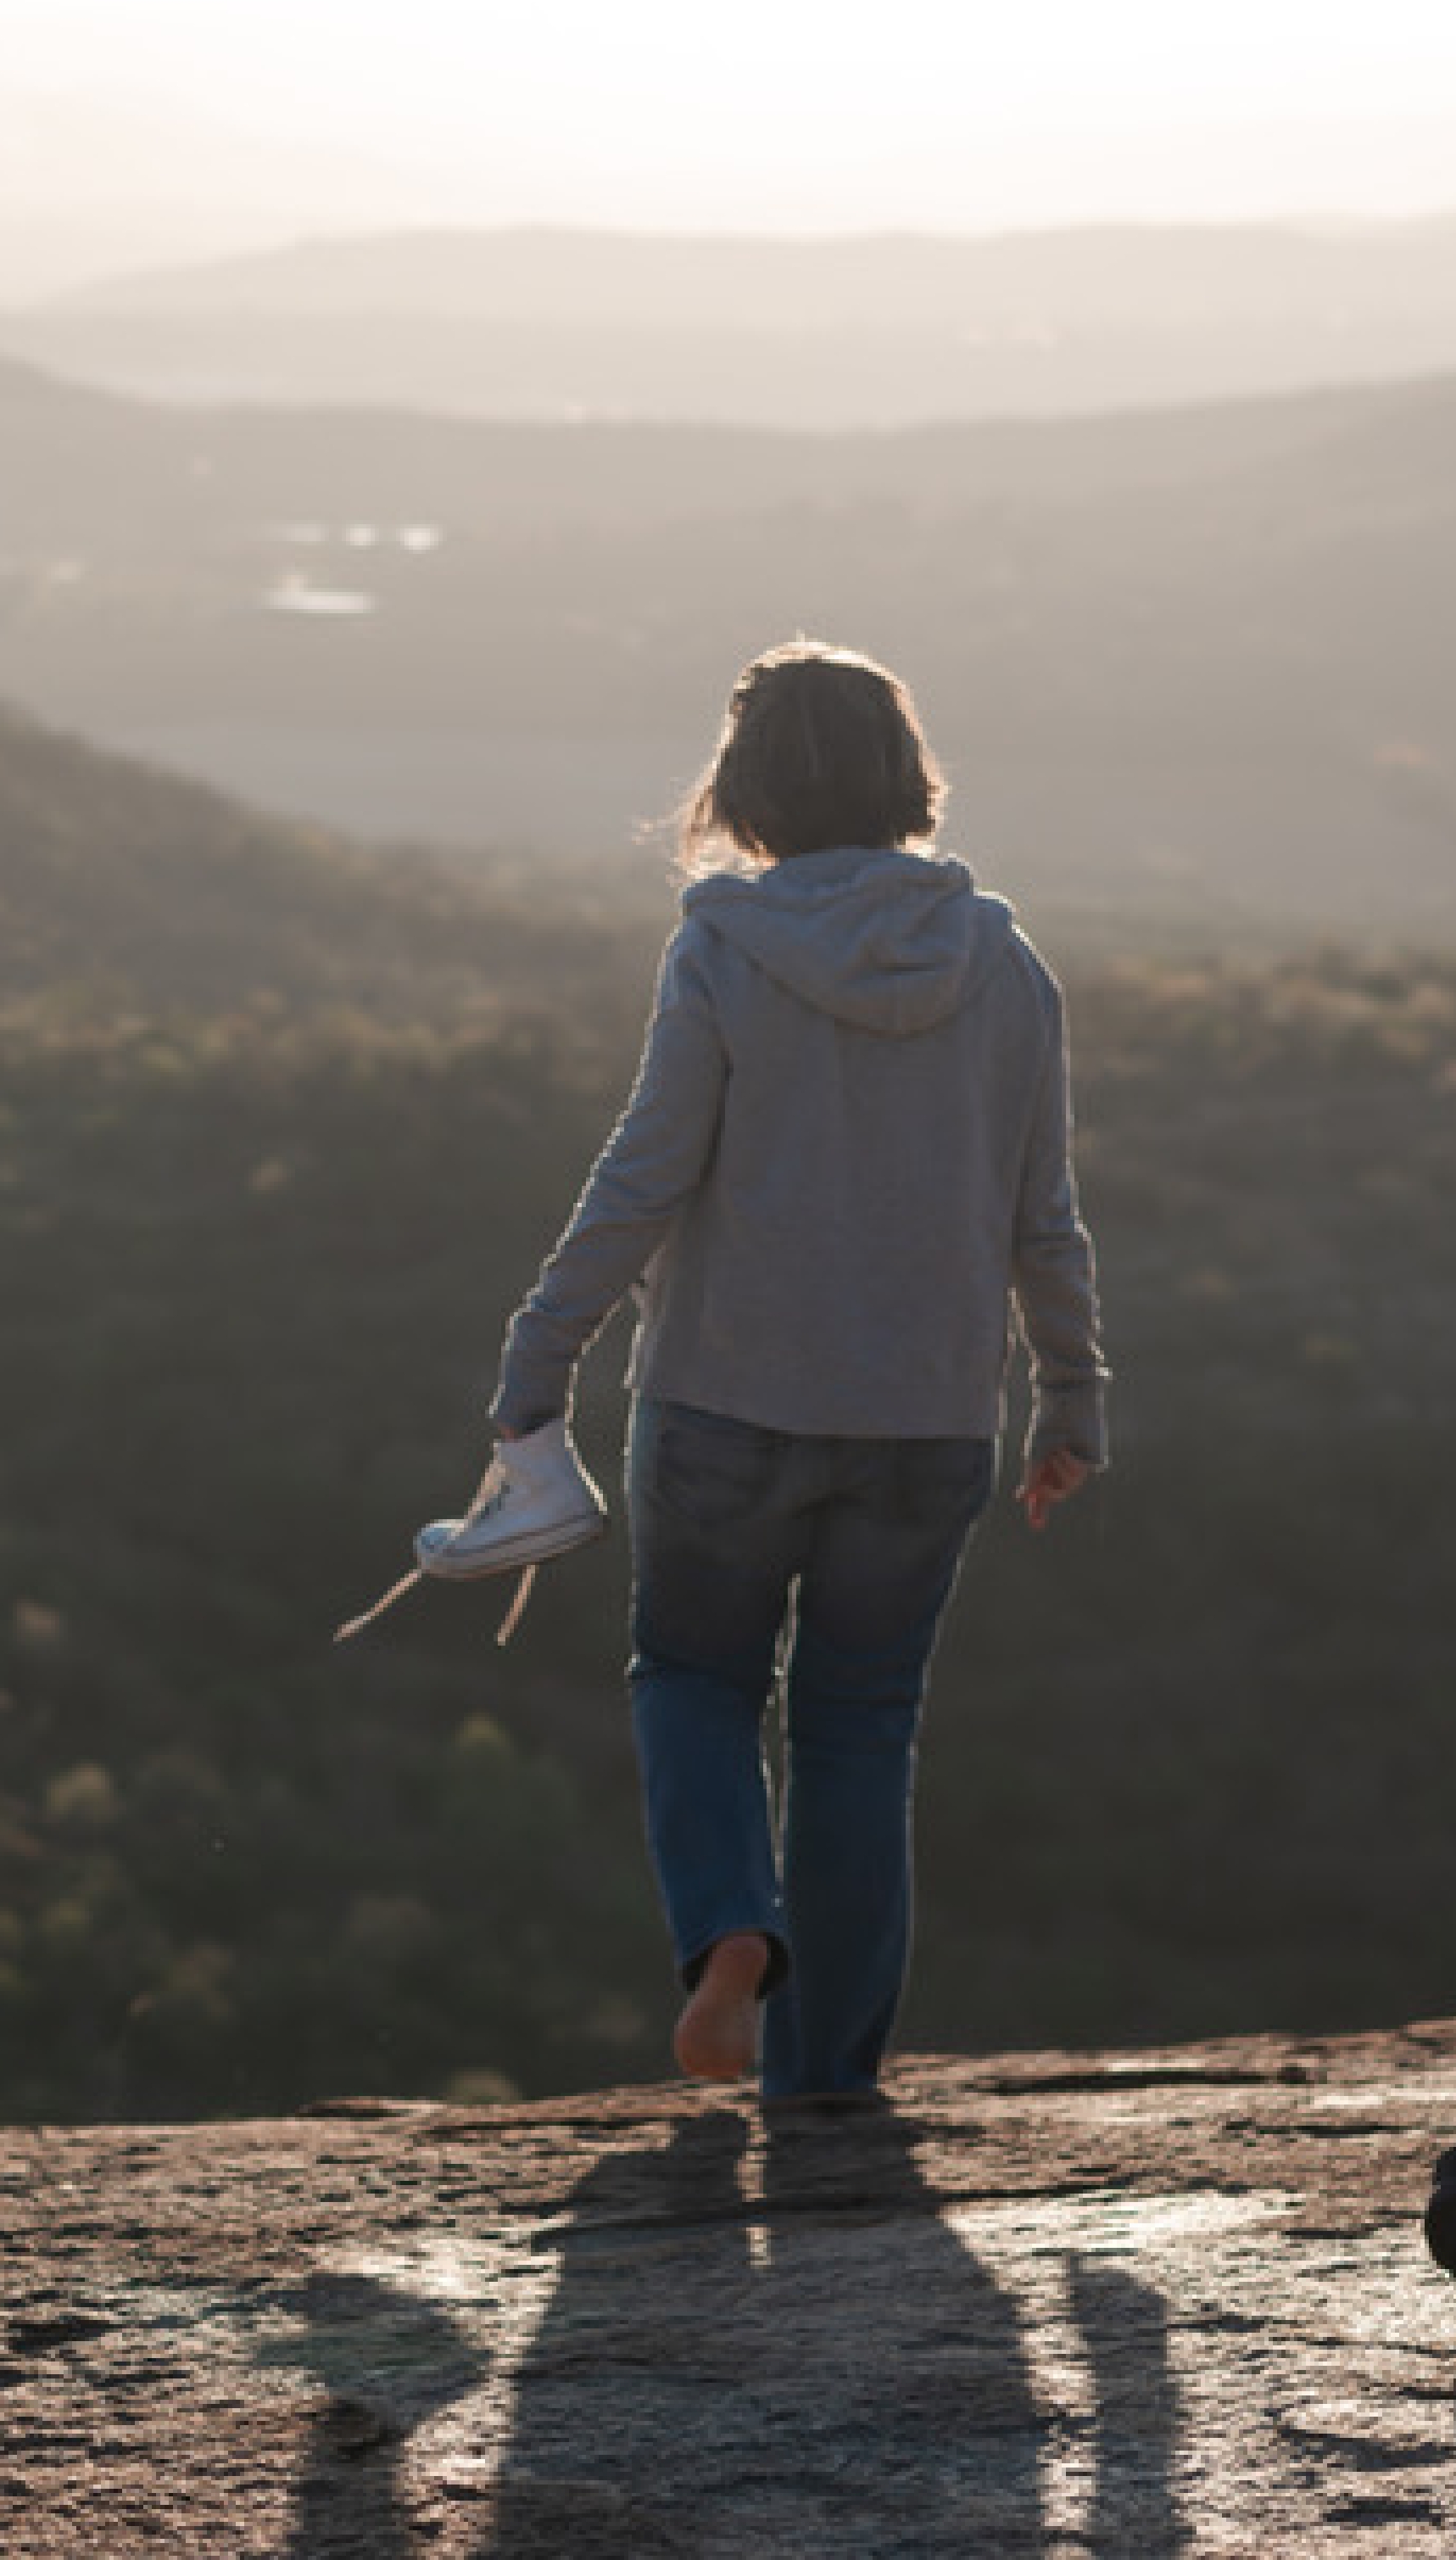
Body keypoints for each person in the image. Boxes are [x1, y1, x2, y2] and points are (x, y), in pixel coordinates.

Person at [475, 640, 1109, 2102]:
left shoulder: (723, 950)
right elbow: (1043, 1212)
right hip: (928, 1426)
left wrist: (538, 1357)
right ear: (906, 781)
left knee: (693, 1674)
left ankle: (730, 1935)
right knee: (860, 1730)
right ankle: (826, 2085)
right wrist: (1074, 1395)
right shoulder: (1007, 969)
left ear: (747, 790)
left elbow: (643, 1175)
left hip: (722, 1409)